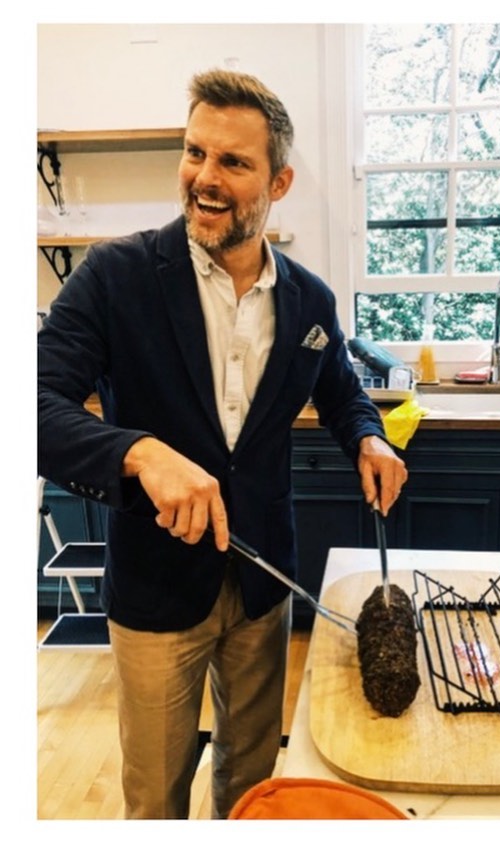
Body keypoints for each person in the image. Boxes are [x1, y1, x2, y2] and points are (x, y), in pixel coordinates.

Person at [37, 68, 408, 819]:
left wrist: (369, 438)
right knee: (156, 795)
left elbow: (339, 390)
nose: (205, 177)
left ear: (279, 183)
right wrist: (139, 452)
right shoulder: (114, 277)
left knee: (251, 778)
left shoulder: (309, 299)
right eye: (194, 152)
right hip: (156, 586)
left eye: (233, 162)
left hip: (263, 584)